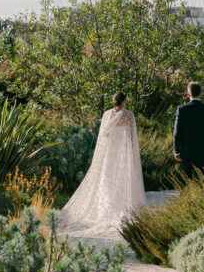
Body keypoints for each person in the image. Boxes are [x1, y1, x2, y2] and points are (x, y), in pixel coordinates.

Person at [58, 91, 146, 237]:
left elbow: (103, 135)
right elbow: (131, 136)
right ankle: (119, 207)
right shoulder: (129, 116)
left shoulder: (107, 115)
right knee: (120, 180)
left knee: (107, 180)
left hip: (109, 152)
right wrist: (132, 152)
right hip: (121, 152)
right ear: (124, 101)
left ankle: (107, 207)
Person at [173, 81, 204, 178]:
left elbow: (177, 132)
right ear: (201, 93)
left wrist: (176, 150)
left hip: (186, 151)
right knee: (203, 180)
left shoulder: (182, 109)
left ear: (188, 94)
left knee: (187, 181)